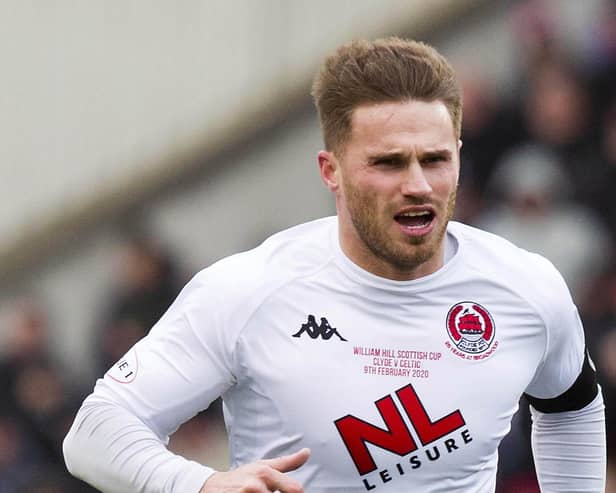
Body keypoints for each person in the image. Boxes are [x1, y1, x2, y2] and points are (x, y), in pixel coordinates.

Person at [63, 38, 606, 492]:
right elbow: (95, 429)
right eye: (389, 162)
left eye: (435, 159)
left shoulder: (524, 285)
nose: (417, 184)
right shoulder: (247, 291)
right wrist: (198, 485)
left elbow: (572, 406)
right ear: (332, 171)